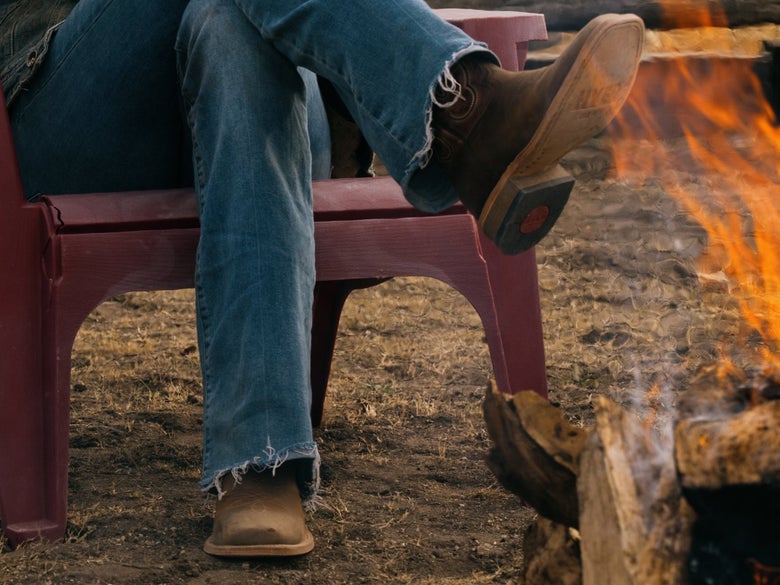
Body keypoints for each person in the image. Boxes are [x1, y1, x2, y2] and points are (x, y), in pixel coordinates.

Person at [1, 0, 644, 557]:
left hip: (260, 92)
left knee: (225, 21)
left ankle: (261, 458)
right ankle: (465, 111)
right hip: (69, 109)